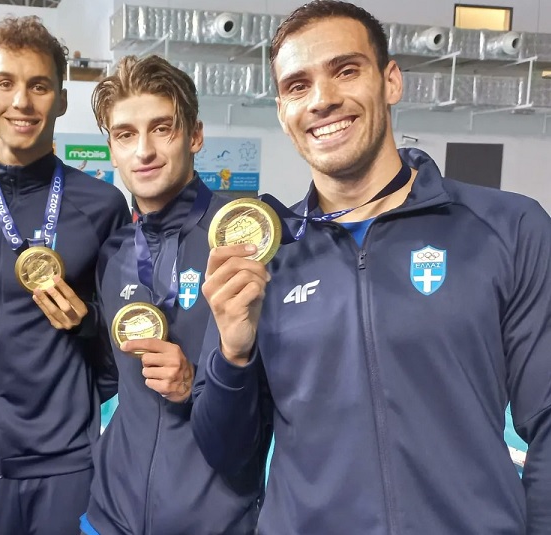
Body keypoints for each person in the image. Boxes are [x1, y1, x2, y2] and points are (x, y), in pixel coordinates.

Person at [192, 1, 551, 534]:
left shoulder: (508, 228)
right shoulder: (267, 254)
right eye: (297, 86)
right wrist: (233, 354)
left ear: (391, 81)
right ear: (283, 113)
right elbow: (228, 456)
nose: (322, 99)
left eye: (345, 70)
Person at [0, 15, 130, 535]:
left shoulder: (101, 204)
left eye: (39, 86)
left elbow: (120, 333)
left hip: (64, 463)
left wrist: (84, 331)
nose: (21, 101)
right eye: (6, 83)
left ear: (61, 99)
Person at [81, 54, 269, 535]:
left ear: (195, 136)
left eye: (161, 128)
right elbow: (113, 380)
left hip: (211, 521)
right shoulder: (114, 253)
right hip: (112, 517)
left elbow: (274, 401)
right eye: (125, 135)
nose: (143, 150)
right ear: (112, 150)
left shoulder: (244, 240)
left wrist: (196, 387)